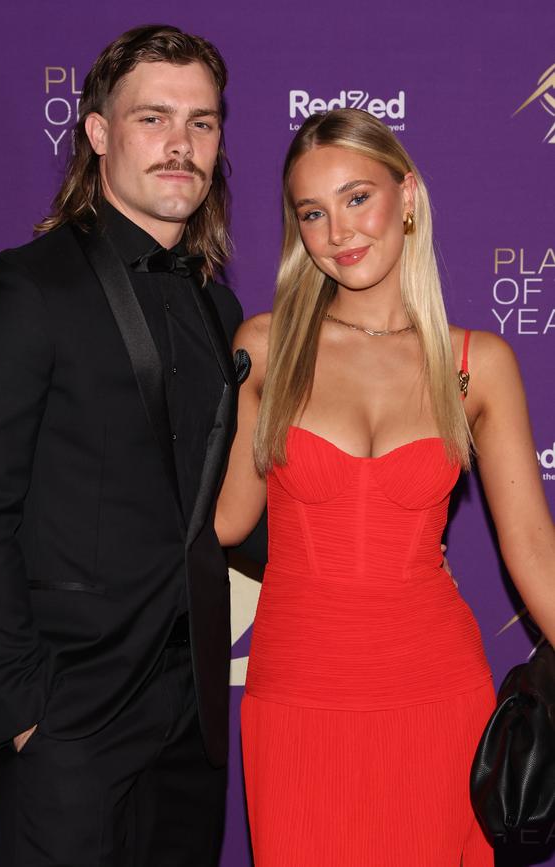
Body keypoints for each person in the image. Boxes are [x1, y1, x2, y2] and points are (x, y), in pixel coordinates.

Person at [0, 24, 243, 867]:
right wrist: (25, 709)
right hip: (71, 717)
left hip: (192, 720)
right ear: (99, 133)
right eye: (154, 118)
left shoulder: (219, 309)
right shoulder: (24, 288)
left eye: (202, 122)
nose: (181, 144)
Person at [215, 108, 555, 866]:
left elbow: (534, 549)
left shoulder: (477, 362)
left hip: (438, 695)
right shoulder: (264, 349)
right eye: (313, 212)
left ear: (407, 196)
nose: (339, 231)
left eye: (357, 197)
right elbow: (227, 520)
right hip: (298, 697)